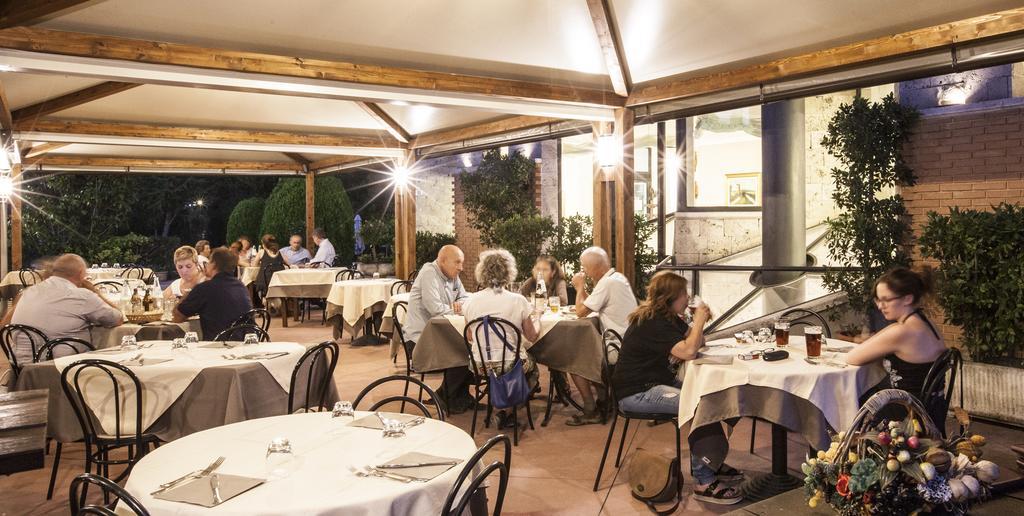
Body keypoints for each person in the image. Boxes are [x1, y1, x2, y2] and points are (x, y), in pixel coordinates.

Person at [612, 271, 743, 505]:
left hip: (656, 383)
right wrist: (700, 321)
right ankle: (704, 481)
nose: (688, 297)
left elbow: (696, 341)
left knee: (715, 394)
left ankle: (710, 459)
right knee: (700, 405)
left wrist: (696, 324)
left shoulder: (668, 317)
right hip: (637, 392)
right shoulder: (653, 321)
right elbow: (688, 351)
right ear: (670, 296)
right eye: (684, 293)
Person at [846, 268, 948, 427]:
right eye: (878, 300)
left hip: (910, 416)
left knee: (846, 400)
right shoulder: (923, 321)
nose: (880, 306)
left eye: (886, 300)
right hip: (934, 409)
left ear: (907, 298)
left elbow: (852, 358)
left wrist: (880, 335)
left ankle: (839, 447)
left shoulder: (902, 331)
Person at [463, 249, 540, 428]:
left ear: (481, 272)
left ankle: (499, 408)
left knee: (496, 369)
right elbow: (532, 336)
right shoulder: (518, 300)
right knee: (533, 366)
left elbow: (469, 336)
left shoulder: (471, 301)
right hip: (511, 363)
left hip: (480, 365)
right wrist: (538, 320)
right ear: (509, 272)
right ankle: (508, 411)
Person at [567, 246, 638, 425]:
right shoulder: (616, 278)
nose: (584, 271)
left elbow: (581, 311)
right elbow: (592, 303)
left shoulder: (607, 283)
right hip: (627, 341)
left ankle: (591, 410)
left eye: (585, 267)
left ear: (596, 268)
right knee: (587, 352)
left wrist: (579, 287)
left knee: (573, 360)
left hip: (618, 346)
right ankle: (604, 403)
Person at [9, 254, 123, 363]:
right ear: (80, 274)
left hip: (20, 364)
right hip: (61, 367)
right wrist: (95, 292)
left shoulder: (29, 292)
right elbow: (117, 319)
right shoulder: (81, 296)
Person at [404, 245, 471, 411]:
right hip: (420, 340)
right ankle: (447, 398)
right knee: (463, 351)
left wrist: (460, 304)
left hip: (440, 335)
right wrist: (458, 308)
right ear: (442, 260)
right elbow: (435, 310)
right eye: (457, 262)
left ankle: (455, 396)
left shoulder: (453, 275)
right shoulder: (429, 274)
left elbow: (464, 296)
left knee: (471, 348)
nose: (460, 268)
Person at [173, 247, 253, 339]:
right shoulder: (241, 286)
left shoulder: (205, 288)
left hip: (220, 345)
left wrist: (197, 284)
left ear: (214, 264)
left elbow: (177, 316)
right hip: (246, 342)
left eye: (209, 262)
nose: (206, 265)